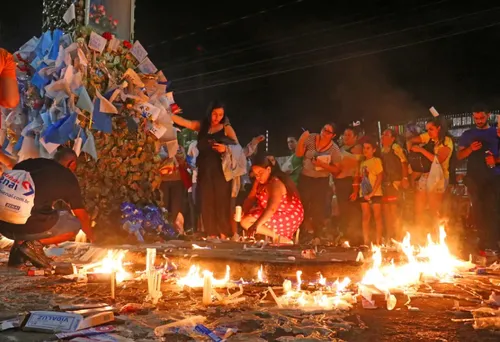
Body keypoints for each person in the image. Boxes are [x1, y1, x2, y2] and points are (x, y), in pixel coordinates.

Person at [0, 148, 93, 268]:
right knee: (74, 224)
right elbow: (81, 217)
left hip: (4, 227)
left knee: (24, 209)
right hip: (26, 226)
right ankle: (34, 245)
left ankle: (17, 255)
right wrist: (94, 238)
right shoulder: (68, 178)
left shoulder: (32, 163)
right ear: (72, 163)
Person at [171, 100, 239, 239]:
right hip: (204, 169)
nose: (217, 118)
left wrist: (225, 148)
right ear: (210, 112)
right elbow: (186, 123)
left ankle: (224, 233)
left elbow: (238, 148)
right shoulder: (202, 126)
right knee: (206, 201)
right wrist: (166, 114)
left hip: (221, 171)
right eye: (215, 114)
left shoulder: (226, 128)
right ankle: (211, 232)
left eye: (220, 115)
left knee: (221, 201)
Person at [457, 105, 500, 254]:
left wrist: (495, 159)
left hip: (494, 177)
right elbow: (459, 156)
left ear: (488, 115)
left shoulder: (496, 132)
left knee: (493, 210)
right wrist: (470, 149)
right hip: (474, 179)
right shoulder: (468, 134)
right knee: (478, 212)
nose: (479, 120)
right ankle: (482, 245)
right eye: (476, 118)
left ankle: (494, 244)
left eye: (482, 117)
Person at [240, 154, 304, 244]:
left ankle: (280, 238)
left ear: (268, 169)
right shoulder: (259, 181)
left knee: (246, 221)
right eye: (256, 175)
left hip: (288, 214)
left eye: (260, 173)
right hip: (274, 212)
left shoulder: (274, 183)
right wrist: (243, 212)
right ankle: (278, 237)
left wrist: (256, 225)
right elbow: (250, 198)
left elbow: (272, 208)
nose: (258, 177)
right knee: (244, 218)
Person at [295, 123, 342, 239]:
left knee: (318, 207)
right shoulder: (311, 138)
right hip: (306, 177)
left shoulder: (334, 149)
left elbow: (337, 170)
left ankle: (317, 234)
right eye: (324, 129)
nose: (324, 132)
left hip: (321, 180)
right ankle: (301, 231)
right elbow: (299, 154)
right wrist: (302, 139)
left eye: (328, 131)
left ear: (333, 135)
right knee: (303, 204)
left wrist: (322, 164)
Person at [407, 118, 453, 229]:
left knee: (435, 210)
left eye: (431, 129)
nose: (428, 132)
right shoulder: (428, 137)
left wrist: (421, 150)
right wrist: (410, 149)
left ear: (439, 128)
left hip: (439, 178)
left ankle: (437, 237)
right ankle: (419, 234)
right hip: (425, 174)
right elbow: (411, 140)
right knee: (419, 208)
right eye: (427, 129)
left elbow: (438, 160)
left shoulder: (447, 142)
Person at [351, 138, 383, 245]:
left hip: (375, 192)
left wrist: (373, 193)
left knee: (377, 216)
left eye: (368, 148)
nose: (365, 150)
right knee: (366, 216)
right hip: (363, 192)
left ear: (374, 150)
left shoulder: (376, 160)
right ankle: (366, 240)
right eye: (364, 148)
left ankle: (379, 241)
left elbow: (380, 176)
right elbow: (359, 178)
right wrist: (356, 191)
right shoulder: (362, 163)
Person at [334, 126, 362, 243]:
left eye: (349, 135)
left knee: (352, 210)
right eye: (345, 135)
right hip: (339, 182)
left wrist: (355, 189)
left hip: (350, 182)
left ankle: (355, 237)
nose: (346, 137)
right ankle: (344, 235)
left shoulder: (357, 148)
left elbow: (356, 168)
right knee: (342, 210)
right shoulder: (340, 149)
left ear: (356, 137)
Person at [381, 129, 409, 242]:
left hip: (395, 183)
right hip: (385, 184)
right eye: (382, 134)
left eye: (386, 135)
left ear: (392, 138)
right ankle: (389, 237)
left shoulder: (396, 148)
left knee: (394, 211)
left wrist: (405, 178)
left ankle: (399, 237)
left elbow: (404, 162)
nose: (383, 137)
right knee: (386, 211)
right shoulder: (383, 150)